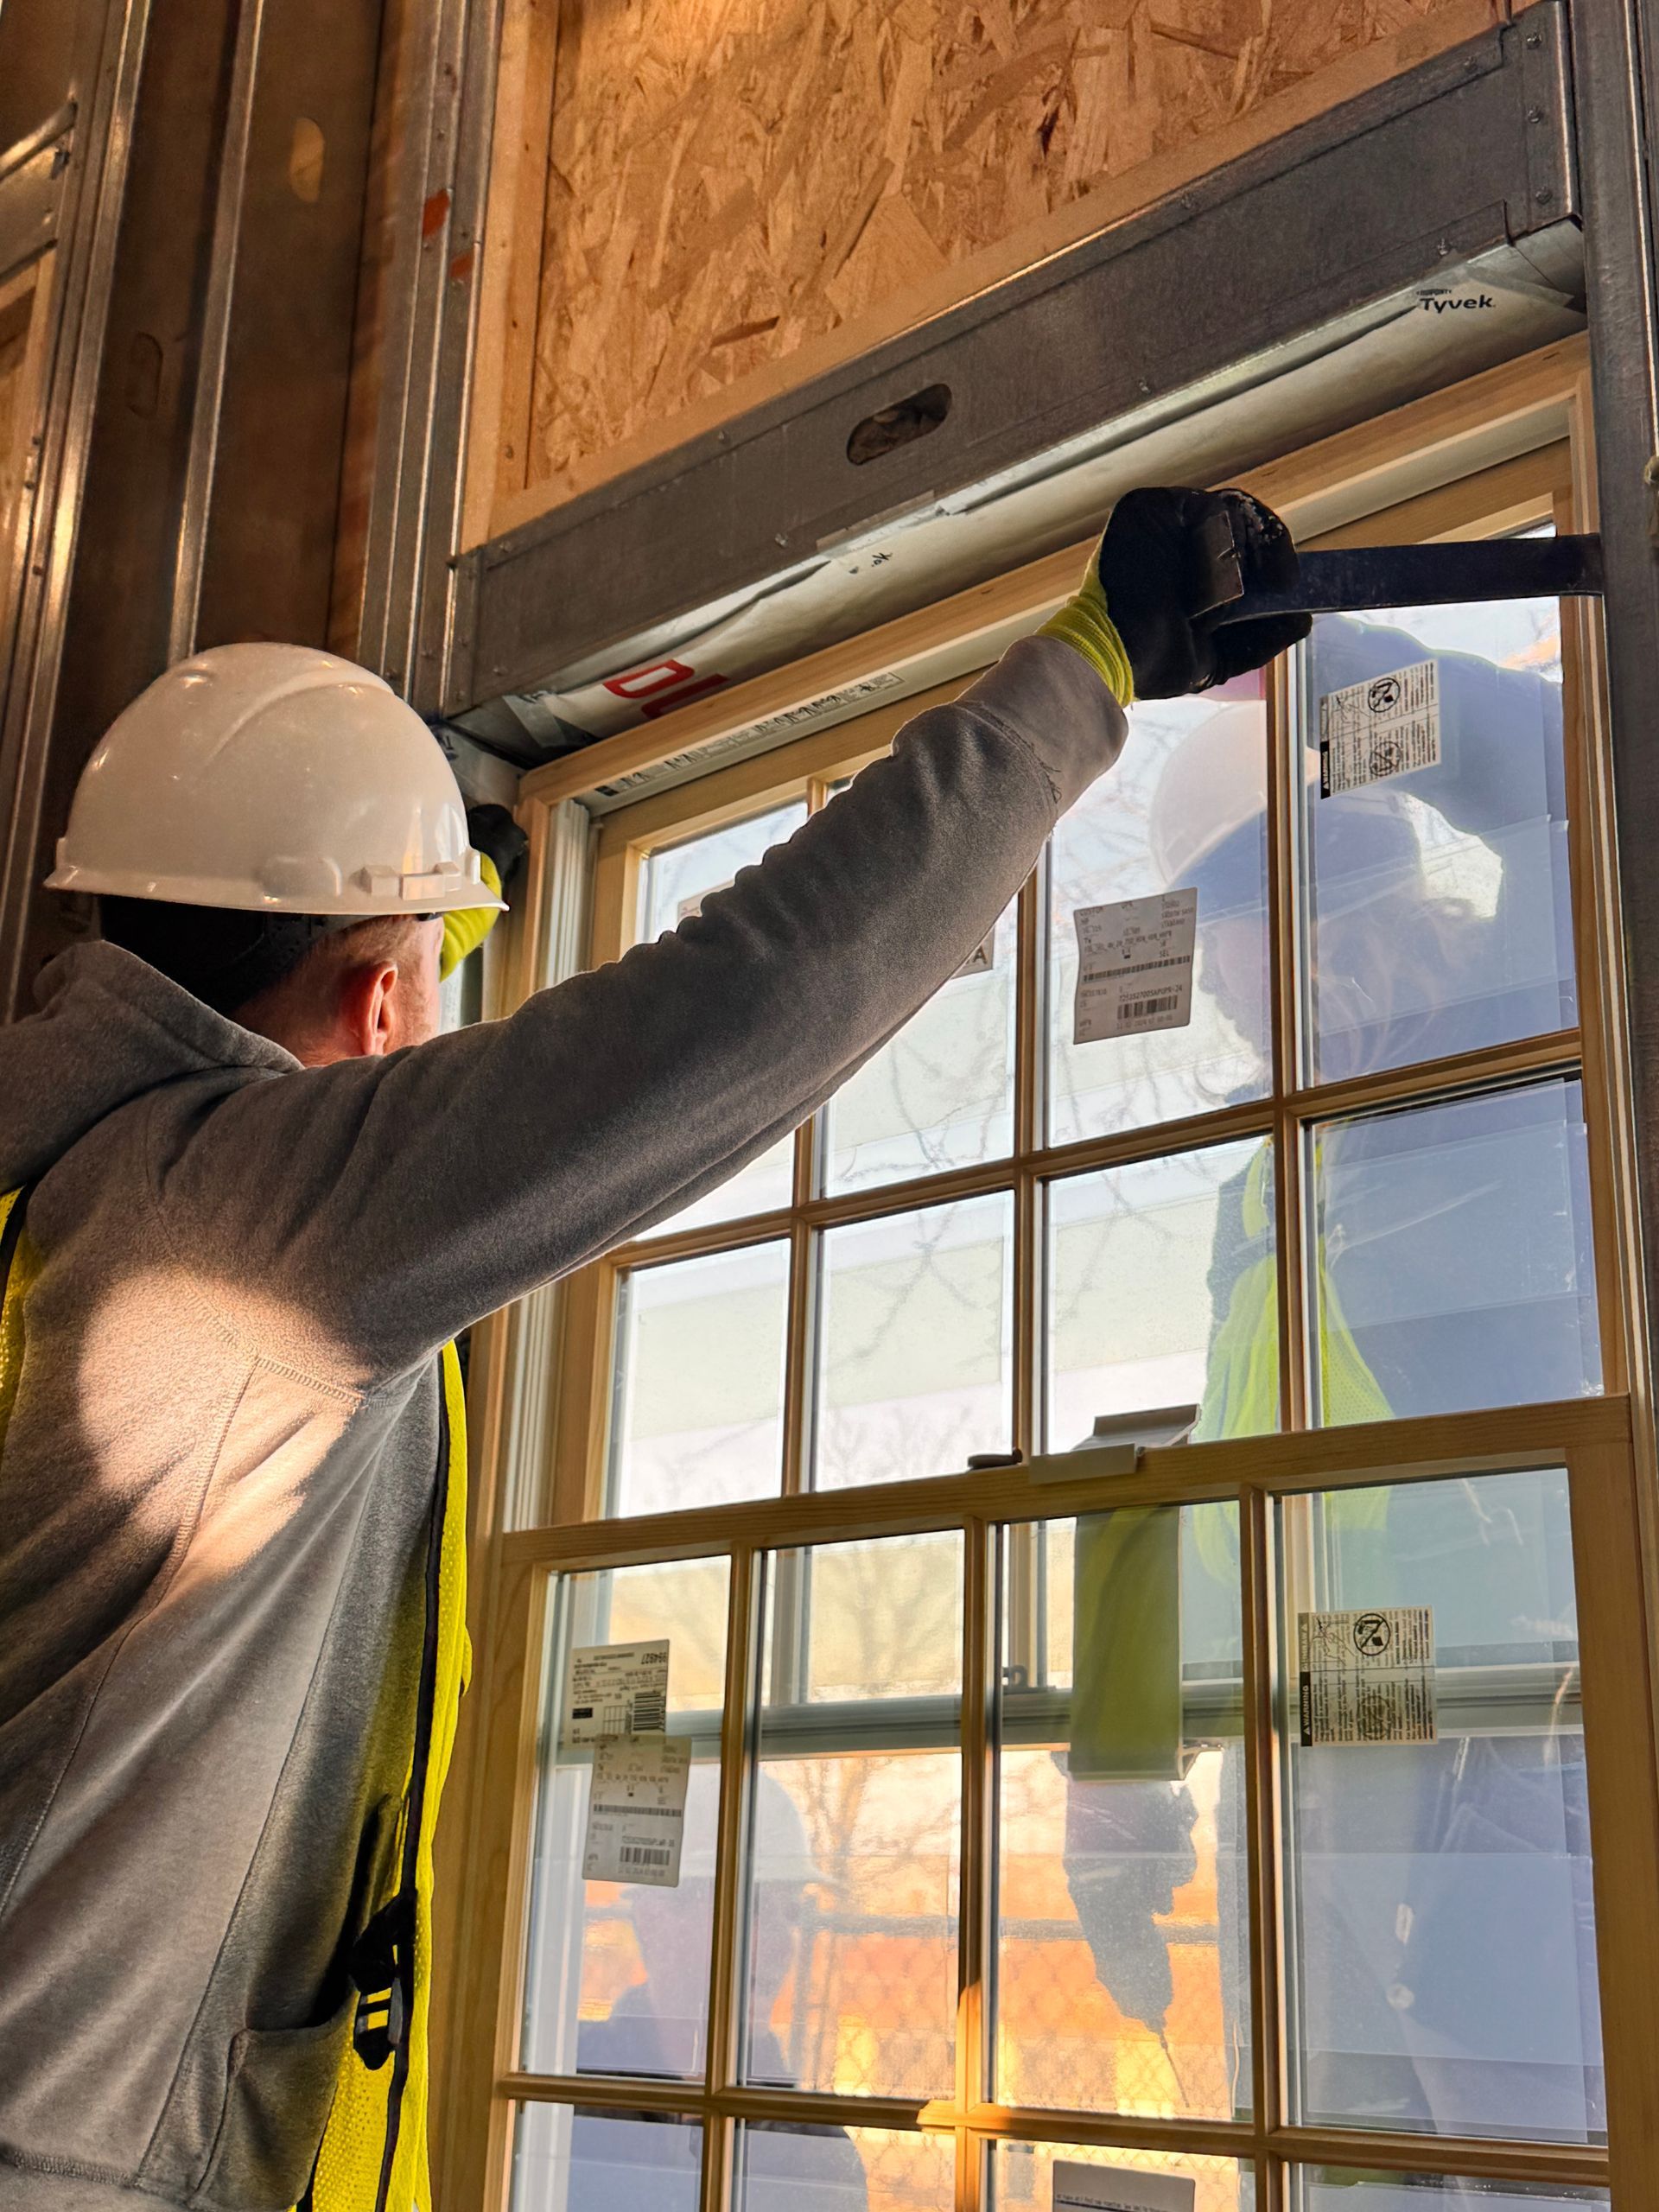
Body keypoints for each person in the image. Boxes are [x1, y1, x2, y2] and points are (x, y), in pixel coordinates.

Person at [0, 487, 1308, 2212]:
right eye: (438, 963)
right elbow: (743, 1002)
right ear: (383, 998)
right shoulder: (236, 1224)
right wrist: (1089, 667)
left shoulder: (61, 1207)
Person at [1062, 610, 1601, 2142]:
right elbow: (1197, 1461)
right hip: (1310, 1762)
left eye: (1234, 931)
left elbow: (1569, 774)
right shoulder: (1271, 1175)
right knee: (1317, 2165)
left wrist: (1319, 649)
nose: (1226, 991)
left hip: (1505, 1754)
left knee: (1523, 2175)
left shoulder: (1527, 1043)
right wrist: (1115, 1769)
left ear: (1336, 888)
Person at [564, 1773, 866, 2212]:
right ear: (654, 1918)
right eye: (752, 1906)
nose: (783, 1942)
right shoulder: (557, 2093)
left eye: (792, 1910)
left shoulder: (814, 2154)